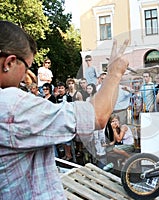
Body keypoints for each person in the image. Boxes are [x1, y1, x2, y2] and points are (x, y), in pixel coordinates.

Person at [0, 20, 129, 199]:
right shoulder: (10, 104)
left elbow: (100, 112)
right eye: (27, 67)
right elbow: (97, 117)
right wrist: (114, 73)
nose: (26, 77)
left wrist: (112, 78)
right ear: (9, 62)